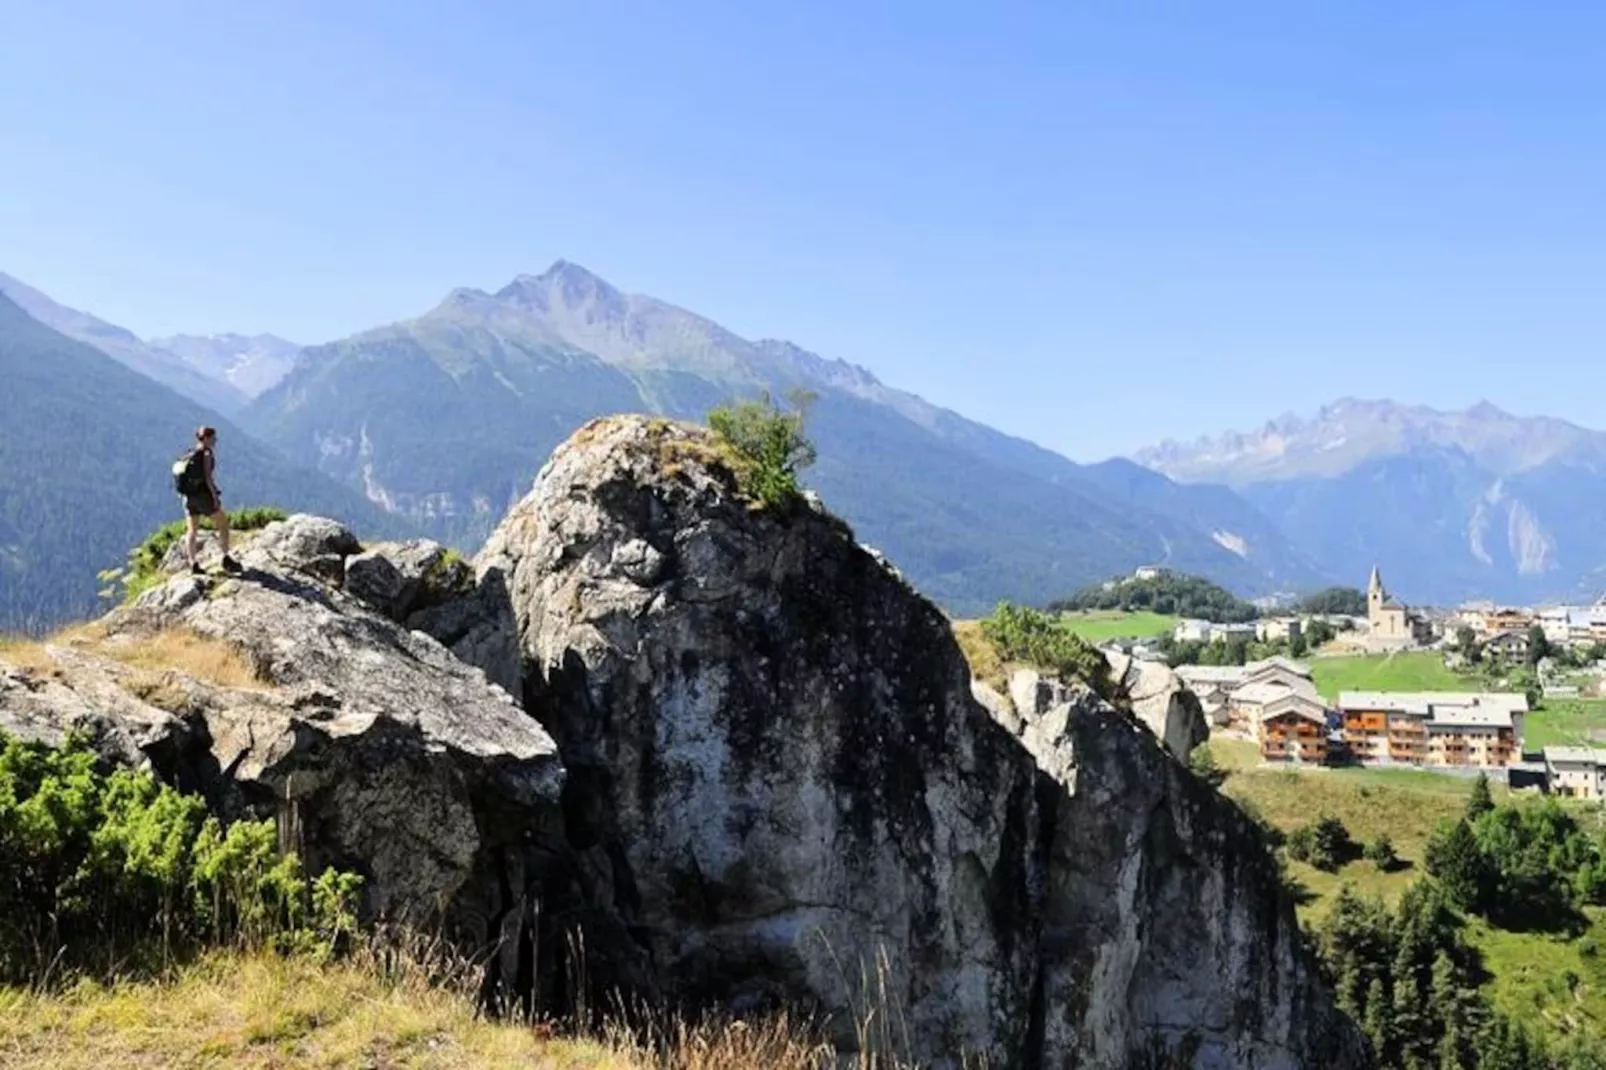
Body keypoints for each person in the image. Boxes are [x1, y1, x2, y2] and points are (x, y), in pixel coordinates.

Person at [182, 426, 242, 575]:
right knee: (223, 525)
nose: (216, 441)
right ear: (207, 438)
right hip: (203, 496)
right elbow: (208, 478)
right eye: (213, 438)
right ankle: (226, 558)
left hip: (189, 497)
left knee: (192, 531)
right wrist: (215, 498)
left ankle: (193, 563)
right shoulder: (206, 453)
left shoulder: (189, 453)